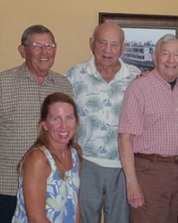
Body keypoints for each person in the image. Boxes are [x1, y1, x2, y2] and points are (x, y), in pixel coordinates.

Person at [0, 25, 73, 223]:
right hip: (9, 186)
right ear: (23, 51)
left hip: (53, 187)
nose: (44, 52)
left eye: (49, 45)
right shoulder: (2, 84)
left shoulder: (63, 85)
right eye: (37, 46)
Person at [118, 34, 178, 223]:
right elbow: (125, 139)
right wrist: (132, 184)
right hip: (150, 174)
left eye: (177, 55)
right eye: (165, 54)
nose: (171, 60)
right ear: (155, 57)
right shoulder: (139, 88)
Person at [66, 22, 140, 223]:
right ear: (92, 44)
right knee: (83, 218)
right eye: (102, 43)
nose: (108, 50)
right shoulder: (75, 75)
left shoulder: (136, 77)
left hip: (124, 166)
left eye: (115, 45)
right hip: (86, 163)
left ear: (123, 48)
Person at [12, 92, 82, 223]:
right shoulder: (38, 159)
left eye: (69, 118)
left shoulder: (75, 154)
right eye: (56, 119)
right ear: (45, 124)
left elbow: (75, 205)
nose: (64, 125)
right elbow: (36, 219)